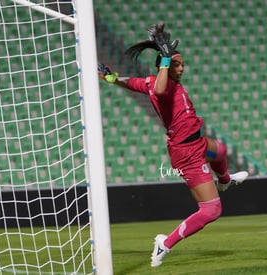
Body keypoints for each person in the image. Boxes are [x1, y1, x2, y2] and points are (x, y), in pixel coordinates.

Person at [99, 23, 248, 267]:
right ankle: (164, 243)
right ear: (163, 67)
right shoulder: (162, 85)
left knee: (220, 150)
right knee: (211, 211)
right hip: (186, 154)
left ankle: (224, 181)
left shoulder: (151, 82)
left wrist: (112, 77)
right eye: (176, 64)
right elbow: (158, 89)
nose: (181, 68)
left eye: (181, 64)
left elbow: (131, 83)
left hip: (197, 143)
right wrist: (166, 59)